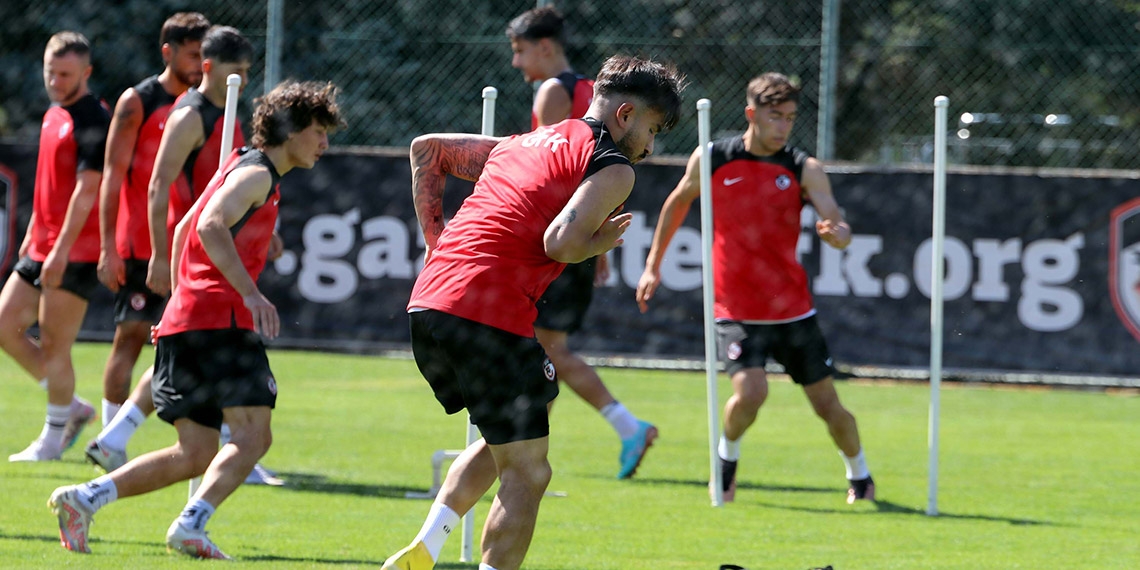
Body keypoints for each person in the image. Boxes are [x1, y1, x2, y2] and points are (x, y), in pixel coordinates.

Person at [383, 54, 684, 570]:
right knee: (529, 472)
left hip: (428, 306)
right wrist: (597, 244)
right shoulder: (612, 166)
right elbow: (560, 242)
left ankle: (427, 546)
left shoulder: (524, 142)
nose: (651, 147)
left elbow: (426, 150)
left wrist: (435, 243)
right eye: (653, 129)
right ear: (626, 114)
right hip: (489, 315)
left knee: (515, 433)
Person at [49, 79, 344, 559]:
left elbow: (187, 224)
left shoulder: (239, 164)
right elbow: (207, 225)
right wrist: (249, 293)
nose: (325, 143)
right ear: (291, 131)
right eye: (318, 131)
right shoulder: (258, 175)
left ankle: (85, 498)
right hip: (220, 321)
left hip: (190, 320)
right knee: (253, 435)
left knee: (196, 452)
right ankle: (191, 524)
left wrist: (181, 295)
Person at [635, 73, 875, 504]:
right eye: (775, 116)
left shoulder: (802, 167)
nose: (783, 126)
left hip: (792, 310)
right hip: (735, 308)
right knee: (751, 392)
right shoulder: (713, 157)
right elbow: (678, 202)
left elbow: (836, 221)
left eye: (790, 118)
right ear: (751, 114)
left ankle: (860, 475)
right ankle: (726, 460)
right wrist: (653, 265)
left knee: (828, 406)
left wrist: (837, 235)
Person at [84, 25, 280, 485]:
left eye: (246, 71)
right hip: (183, 250)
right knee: (176, 341)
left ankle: (117, 437)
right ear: (209, 68)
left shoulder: (229, 112)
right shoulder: (189, 115)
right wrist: (158, 254)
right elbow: (158, 185)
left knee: (185, 346)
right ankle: (237, 445)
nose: (241, 80)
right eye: (234, 71)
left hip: (211, 248)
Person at [507, 5, 656, 479]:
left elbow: (543, 171)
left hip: (554, 240)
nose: (516, 62)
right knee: (546, 350)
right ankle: (527, 456)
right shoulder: (597, 93)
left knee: (546, 349)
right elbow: (597, 169)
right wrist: (595, 235)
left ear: (544, 47)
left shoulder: (554, 91)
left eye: (520, 50)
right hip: (580, 233)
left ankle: (622, 428)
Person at [90, 11, 209, 468]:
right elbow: (112, 176)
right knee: (131, 338)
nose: (200, 64)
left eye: (205, 55)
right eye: (192, 55)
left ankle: (223, 443)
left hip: (187, 244)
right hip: (140, 245)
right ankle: (110, 442)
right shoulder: (138, 101)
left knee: (199, 342)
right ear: (168, 52)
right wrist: (108, 247)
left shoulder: (206, 104)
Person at [2, 31, 110, 462]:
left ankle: (52, 439)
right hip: (42, 245)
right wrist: (34, 230)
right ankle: (72, 407)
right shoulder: (53, 113)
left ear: (86, 72)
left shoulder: (93, 118)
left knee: (54, 344)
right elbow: (52, 183)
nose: (56, 81)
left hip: (76, 252)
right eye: (51, 72)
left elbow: (87, 191)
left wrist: (61, 250)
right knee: (4, 325)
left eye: (66, 74)